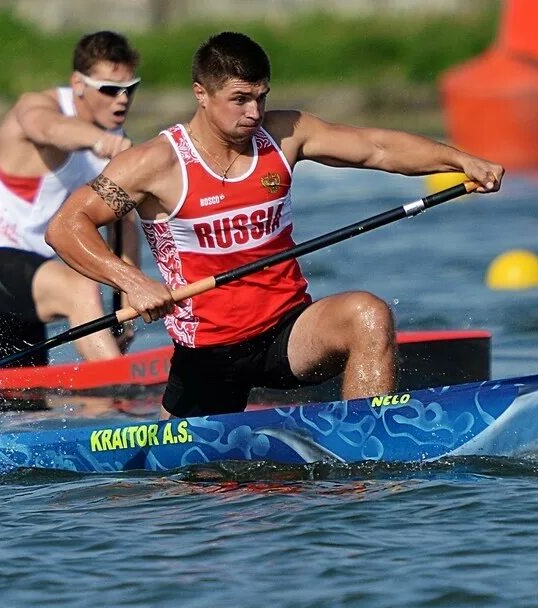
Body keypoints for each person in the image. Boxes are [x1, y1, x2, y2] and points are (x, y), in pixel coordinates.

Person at [46, 31, 504, 418]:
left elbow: (375, 148)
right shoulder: (156, 162)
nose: (254, 113)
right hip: (209, 351)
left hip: (288, 331)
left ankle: (367, 442)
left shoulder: (285, 134)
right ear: (201, 95)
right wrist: (133, 281)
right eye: (240, 99)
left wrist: (459, 159)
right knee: (192, 493)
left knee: (368, 314)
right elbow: (67, 226)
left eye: (261, 97)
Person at [0, 30, 142, 367]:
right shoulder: (37, 106)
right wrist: (101, 143)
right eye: (109, 89)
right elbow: (49, 130)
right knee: (78, 287)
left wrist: (125, 305)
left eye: (129, 88)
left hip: (30, 274)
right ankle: (120, 390)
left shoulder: (116, 137)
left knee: (17, 404)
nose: (122, 99)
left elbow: (124, 224)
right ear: (78, 84)